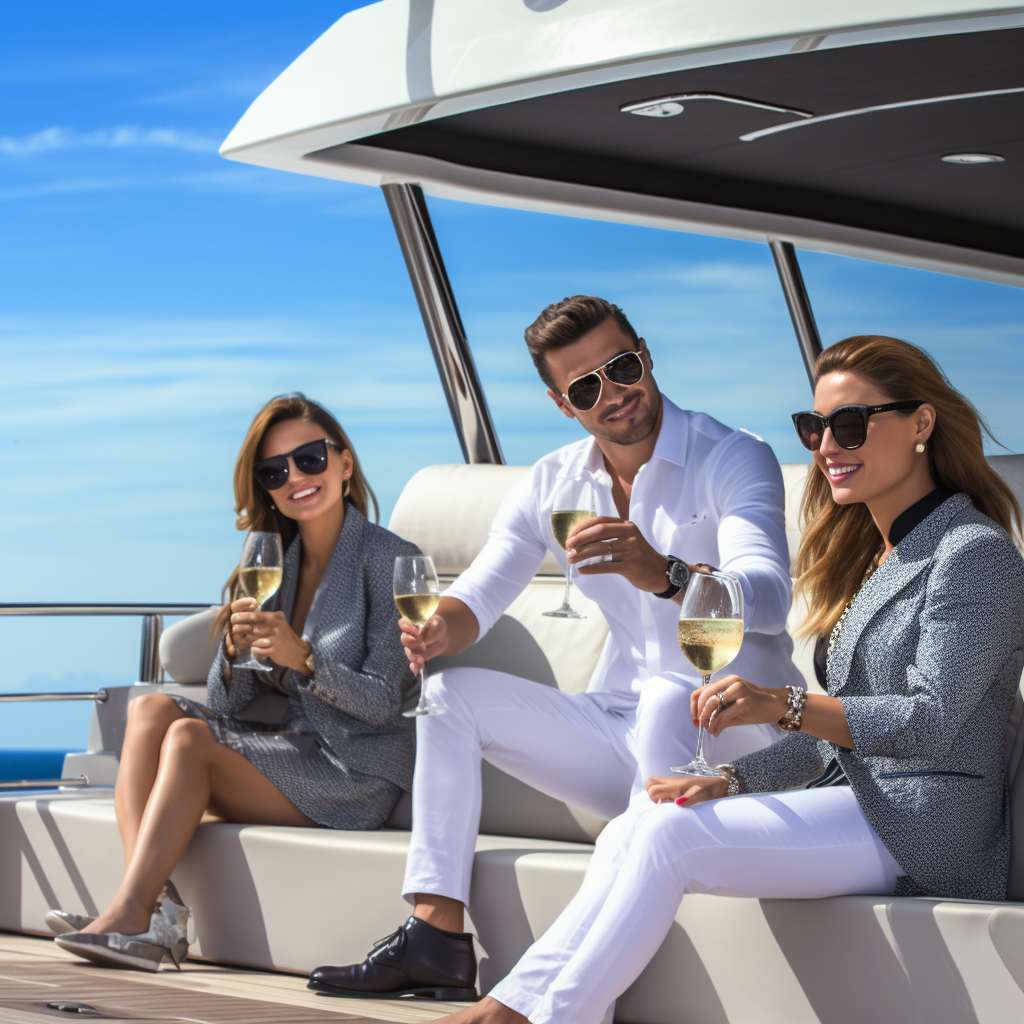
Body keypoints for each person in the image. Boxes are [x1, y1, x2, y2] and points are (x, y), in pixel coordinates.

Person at [430, 334, 1024, 1024]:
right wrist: (735, 780)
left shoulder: (974, 553)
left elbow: (928, 722)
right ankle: (521, 1006)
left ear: (922, 424)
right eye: (815, 427)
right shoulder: (877, 558)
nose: (828, 445)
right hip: (860, 802)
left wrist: (786, 703)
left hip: (924, 825)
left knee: (666, 839)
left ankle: (533, 1017)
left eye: (852, 423)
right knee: (647, 820)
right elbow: (845, 739)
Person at [309, 296, 805, 999]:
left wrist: (667, 575)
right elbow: (479, 595)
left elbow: (770, 593)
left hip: (733, 729)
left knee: (670, 695)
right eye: (585, 387)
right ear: (560, 401)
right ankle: (436, 934)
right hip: (622, 726)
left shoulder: (731, 455)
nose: (614, 393)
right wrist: (439, 627)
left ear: (646, 353)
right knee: (448, 698)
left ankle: (563, 998)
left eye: (623, 366)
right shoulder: (553, 483)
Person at [53, 393, 420, 972]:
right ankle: (148, 907)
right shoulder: (272, 558)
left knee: (189, 741)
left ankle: (132, 913)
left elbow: (382, 704)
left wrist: (305, 661)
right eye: (275, 471)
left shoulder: (392, 558)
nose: (295, 477)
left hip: (358, 773)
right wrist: (232, 649)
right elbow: (230, 703)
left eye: (310, 459)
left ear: (345, 463)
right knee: (151, 712)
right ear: (267, 488)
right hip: (296, 751)